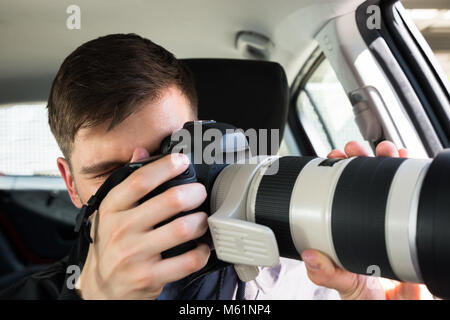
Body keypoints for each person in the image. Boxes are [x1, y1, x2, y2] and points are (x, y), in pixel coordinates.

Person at [0, 33, 423, 300]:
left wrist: (365, 293)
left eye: (172, 155)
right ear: (71, 185)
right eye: (110, 173)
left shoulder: (306, 264)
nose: (152, 187)